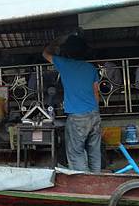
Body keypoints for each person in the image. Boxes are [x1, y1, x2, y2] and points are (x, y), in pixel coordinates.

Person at [42, 35, 101, 173]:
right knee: (95, 151)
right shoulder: (91, 68)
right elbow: (96, 93)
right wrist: (95, 111)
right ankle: (97, 179)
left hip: (77, 117)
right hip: (94, 114)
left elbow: (45, 53)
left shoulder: (64, 64)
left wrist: (56, 41)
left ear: (67, 51)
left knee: (76, 153)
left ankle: (84, 184)